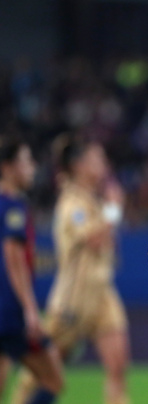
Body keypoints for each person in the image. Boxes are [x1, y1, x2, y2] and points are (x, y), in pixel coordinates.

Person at [12, 136, 130, 404]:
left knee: (118, 370)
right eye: (96, 158)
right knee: (41, 375)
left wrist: (110, 209)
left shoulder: (92, 200)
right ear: (78, 165)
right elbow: (94, 239)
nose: (104, 163)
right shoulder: (71, 203)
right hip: (72, 301)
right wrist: (113, 210)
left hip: (101, 295)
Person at [0, 137, 63, 404]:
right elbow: (14, 259)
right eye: (26, 161)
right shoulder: (13, 207)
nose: (33, 167)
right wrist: (29, 309)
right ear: (7, 166)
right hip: (10, 312)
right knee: (52, 379)